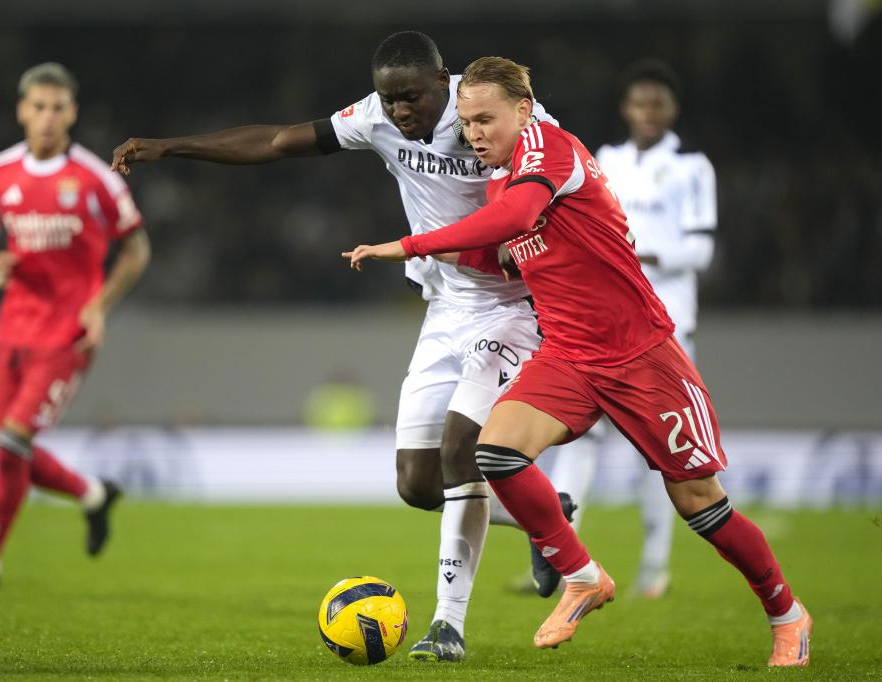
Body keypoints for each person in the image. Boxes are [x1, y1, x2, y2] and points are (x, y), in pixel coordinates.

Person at [110, 31, 581, 661]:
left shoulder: (494, 111)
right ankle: (547, 517)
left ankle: (448, 625)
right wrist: (173, 146)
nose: (399, 113)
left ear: (444, 80)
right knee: (416, 483)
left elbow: (557, 178)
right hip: (445, 307)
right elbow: (277, 142)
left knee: (461, 450)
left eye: (411, 98)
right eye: (389, 101)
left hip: (514, 305)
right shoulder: (375, 115)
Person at [344, 56, 811, 667]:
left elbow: (513, 218)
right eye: (466, 122)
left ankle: (786, 613)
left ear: (524, 110)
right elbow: (504, 258)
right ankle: (583, 575)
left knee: (698, 501)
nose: (474, 133)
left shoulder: (551, 147)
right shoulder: (498, 175)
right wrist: (435, 263)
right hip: (567, 354)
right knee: (496, 453)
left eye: (486, 119)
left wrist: (406, 243)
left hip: (639, 353)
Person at [0, 62, 150, 589]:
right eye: (38, 107)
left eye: (57, 108)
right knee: (8, 444)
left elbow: (136, 247)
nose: (46, 118)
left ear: (72, 113)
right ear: (22, 111)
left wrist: (100, 305)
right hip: (13, 326)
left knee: (14, 439)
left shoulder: (94, 178)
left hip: (69, 330)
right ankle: (93, 493)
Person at [541, 59, 718, 599]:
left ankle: (654, 566)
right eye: (640, 103)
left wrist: (642, 252)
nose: (648, 112)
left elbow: (702, 248)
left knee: (659, 450)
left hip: (665, 325)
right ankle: (561, 557)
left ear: (672, 110)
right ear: (626, 108)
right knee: (580, 436)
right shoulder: (605, 161)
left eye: (657, 103)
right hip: (604, 322)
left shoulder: (692, 168)